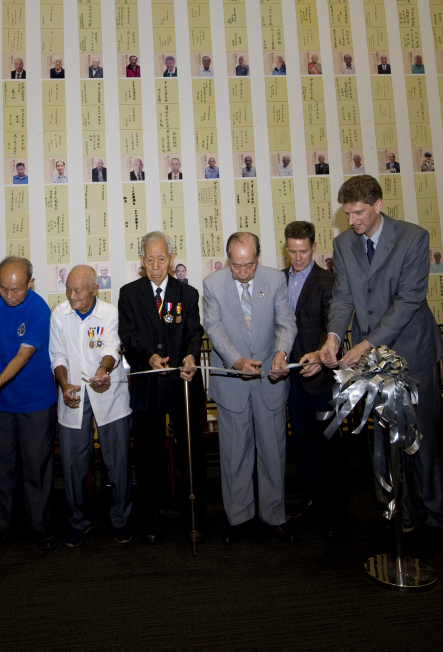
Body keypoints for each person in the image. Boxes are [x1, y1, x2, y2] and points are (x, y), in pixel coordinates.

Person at [319, 175, 443, 533]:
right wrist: (332, 337)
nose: (352, 220)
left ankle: (435, 517)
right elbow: (343, 297)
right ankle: (399, 518)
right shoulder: (344, 244)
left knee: (424, 439)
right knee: (385, 440)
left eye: (359, 213)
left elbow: (408, 301)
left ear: (378, 206)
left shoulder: (413, 238)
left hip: (413, 354)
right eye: (347, 213)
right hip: (372, 362)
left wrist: (365, 344)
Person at [203, 232, 297, 545]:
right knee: (234, 454)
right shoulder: (213, 284)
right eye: (236, 265)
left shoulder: (274, 280)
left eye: (249, 265)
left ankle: (274, 516)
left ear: (258, 257)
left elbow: (286, 321)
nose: (243, 272)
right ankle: (238, 517)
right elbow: (214, 328)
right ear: (228, 258)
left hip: (270, 378)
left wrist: (282, 351)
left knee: (273, 451)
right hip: (233, 380)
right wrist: (235, 360)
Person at [118, 231, 207, 544]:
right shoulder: (130, 294)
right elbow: (128, 336)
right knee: (148, 456)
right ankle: (151, 517)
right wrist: (149, 356)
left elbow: (194, 332)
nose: (156, 265)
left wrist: (191, 356)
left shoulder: (188, 294)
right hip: (148, 386)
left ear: (171, 259)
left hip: (183, 386)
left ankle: (192, 514)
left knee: (190, 454)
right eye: (150, 259)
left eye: (161, 258)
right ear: (142, 261)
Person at [0, 256, 57, 552]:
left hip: (35, 400)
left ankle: (40, 526)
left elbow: (22, 356)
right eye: (4, 288)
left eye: (16, 290)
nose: (9, 295)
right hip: (2, 403)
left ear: (30, 284)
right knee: (1, 465)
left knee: (36, 466)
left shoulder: (39, 309)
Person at [50, 266, 132, 546]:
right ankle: (78, 520)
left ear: (94, 290)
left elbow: (111, 347)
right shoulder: (59, 315)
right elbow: (57, 355)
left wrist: (103, 370)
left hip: (109, 393)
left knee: (118, 461)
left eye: (78, 290)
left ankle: (120, 519)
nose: (71, 296)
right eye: (68, 289)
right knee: (73, 464)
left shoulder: (109, 313)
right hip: (72, 394)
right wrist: (63, 385)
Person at [282, 222, 348, 537]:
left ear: (314, 246)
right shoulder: (278, 280)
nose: (297, 257)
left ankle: (338, 508)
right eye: (292, 251)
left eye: (303, 251)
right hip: (293, 379)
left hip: (322, 377)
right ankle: (312, 499)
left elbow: (331, 325)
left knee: (330, 442)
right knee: (303, 443)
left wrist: (319, 356)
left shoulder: (327, 280)